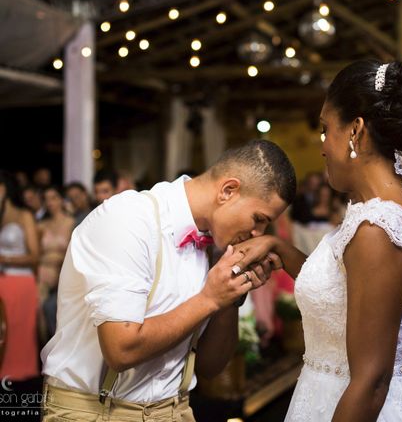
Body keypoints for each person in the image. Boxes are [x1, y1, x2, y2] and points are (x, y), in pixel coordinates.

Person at [236, 60, 402, 421]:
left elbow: (371, 381)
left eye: (326, 129)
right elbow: (351, 295)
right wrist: (279, 249)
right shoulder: (380, 212)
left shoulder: (378, 230)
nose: (322, 147)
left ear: (356, 130)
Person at [40, 140, 296, 421]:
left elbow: (210, 367)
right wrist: (209, 298)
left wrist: (230, 297)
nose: (258, 233)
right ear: (228, 190)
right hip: (95, 412)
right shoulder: (129, 219)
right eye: (258, 219)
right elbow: (120, 350)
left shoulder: (213, 243)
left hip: (175, 410)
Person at [0, 171, 40, 390]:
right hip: (1, 281)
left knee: (17, 332)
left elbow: (34, 256)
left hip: (19, 281)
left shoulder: (24, 215)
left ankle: (19, 376)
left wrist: (4, 257)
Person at [37, 186, 75, 338]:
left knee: (47, 307)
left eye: (53, 198)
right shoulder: (41, 225)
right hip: (42, 271)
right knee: (36, 306)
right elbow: (36, 253)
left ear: (61, 199)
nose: (50, 202)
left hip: (61, 271)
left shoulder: (71, 222)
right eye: (46, 199)